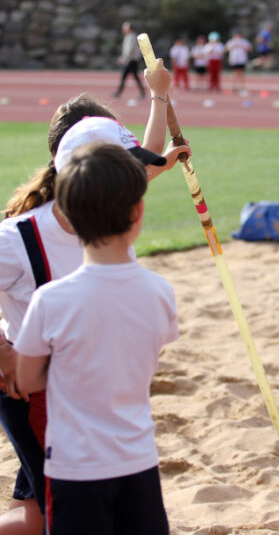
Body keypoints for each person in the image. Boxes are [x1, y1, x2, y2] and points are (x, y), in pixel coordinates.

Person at [0, 61, 189, 534]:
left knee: (41, 514)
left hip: (89, 406)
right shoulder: (17, 239)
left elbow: (137, 170)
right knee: (51, 514)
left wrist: (160, 102)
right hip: (34, 398)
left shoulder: (102, 205)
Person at [113, 22, 146, 99]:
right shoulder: (129, 36)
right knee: (133, 76)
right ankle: (142, 92)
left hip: (131, 60)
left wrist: (123, 58)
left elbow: (129, 50)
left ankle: (119, 92)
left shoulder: (132, 37)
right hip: (130, 60)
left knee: (126, 76)